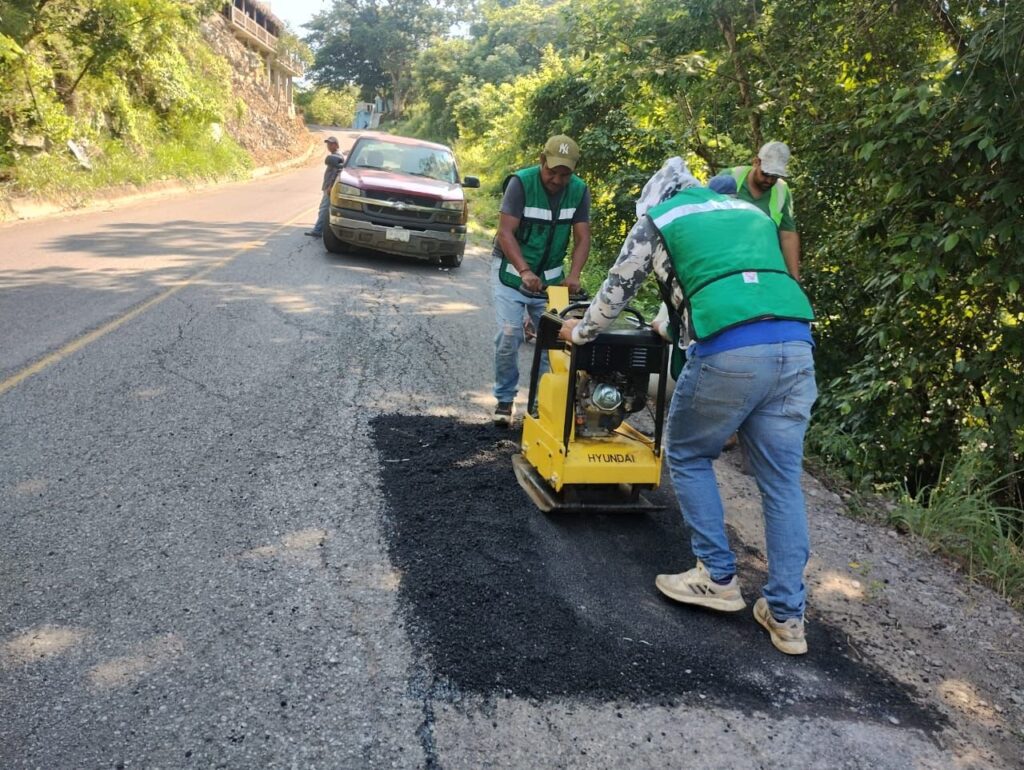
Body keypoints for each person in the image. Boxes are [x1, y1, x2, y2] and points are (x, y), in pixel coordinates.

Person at [558, 157, 817, 655]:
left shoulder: (659, 220)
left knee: (687, 452)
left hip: (730, 349)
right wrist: (669, 324)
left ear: (654, 200)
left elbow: (616, 290)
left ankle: (717, 577)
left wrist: (581, 332)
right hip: (795, 345)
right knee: (782, 483)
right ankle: (787, 615)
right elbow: (734, 282)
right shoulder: (749, 213)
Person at [491, 134, 591, 426]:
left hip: (552, 280)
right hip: (512, 273)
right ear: (541, 160)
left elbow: (583, 237)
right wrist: (524, 271)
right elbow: (505, 233)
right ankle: (505, 399)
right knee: (509, 334)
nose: (557, 180)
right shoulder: (521, 183)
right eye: (552, 171)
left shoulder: (579, 191)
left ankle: (540, 405)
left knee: (555, 342)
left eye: (564, 174)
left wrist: (574, 275)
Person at [723, 141, 800, 281]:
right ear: (756, 162)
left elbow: (788, 235)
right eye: (765, 174)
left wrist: (794, 278)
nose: (769, 180)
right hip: (727, 260)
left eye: (775, 176)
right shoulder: (730, 177)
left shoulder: (782, 191)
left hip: (763, 263)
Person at [305, 136, 344, 237]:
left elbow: (336, 173)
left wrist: (330, 187)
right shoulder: (334, 156)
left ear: (336, 145)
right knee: (325, 209)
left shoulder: (337, 157)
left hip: (330, 188)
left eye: (331, 144)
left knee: (324, 209)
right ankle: (321, 229)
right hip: (328, 187)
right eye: (328, 144)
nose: (329, 146)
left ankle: (318, 230)